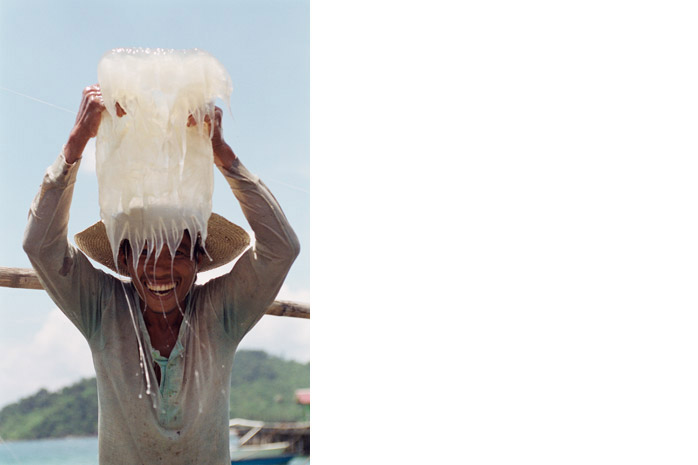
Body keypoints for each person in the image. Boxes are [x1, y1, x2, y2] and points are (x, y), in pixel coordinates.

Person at [23, 84, 300, 464]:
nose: (161, 268)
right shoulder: (102, 307)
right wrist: (75, 144)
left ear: (200, 259)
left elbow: (281, 249)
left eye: (180, 251)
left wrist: (223, 155)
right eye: (145, 250)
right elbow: (40, 246)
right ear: (123, 260)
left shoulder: (221, 313)